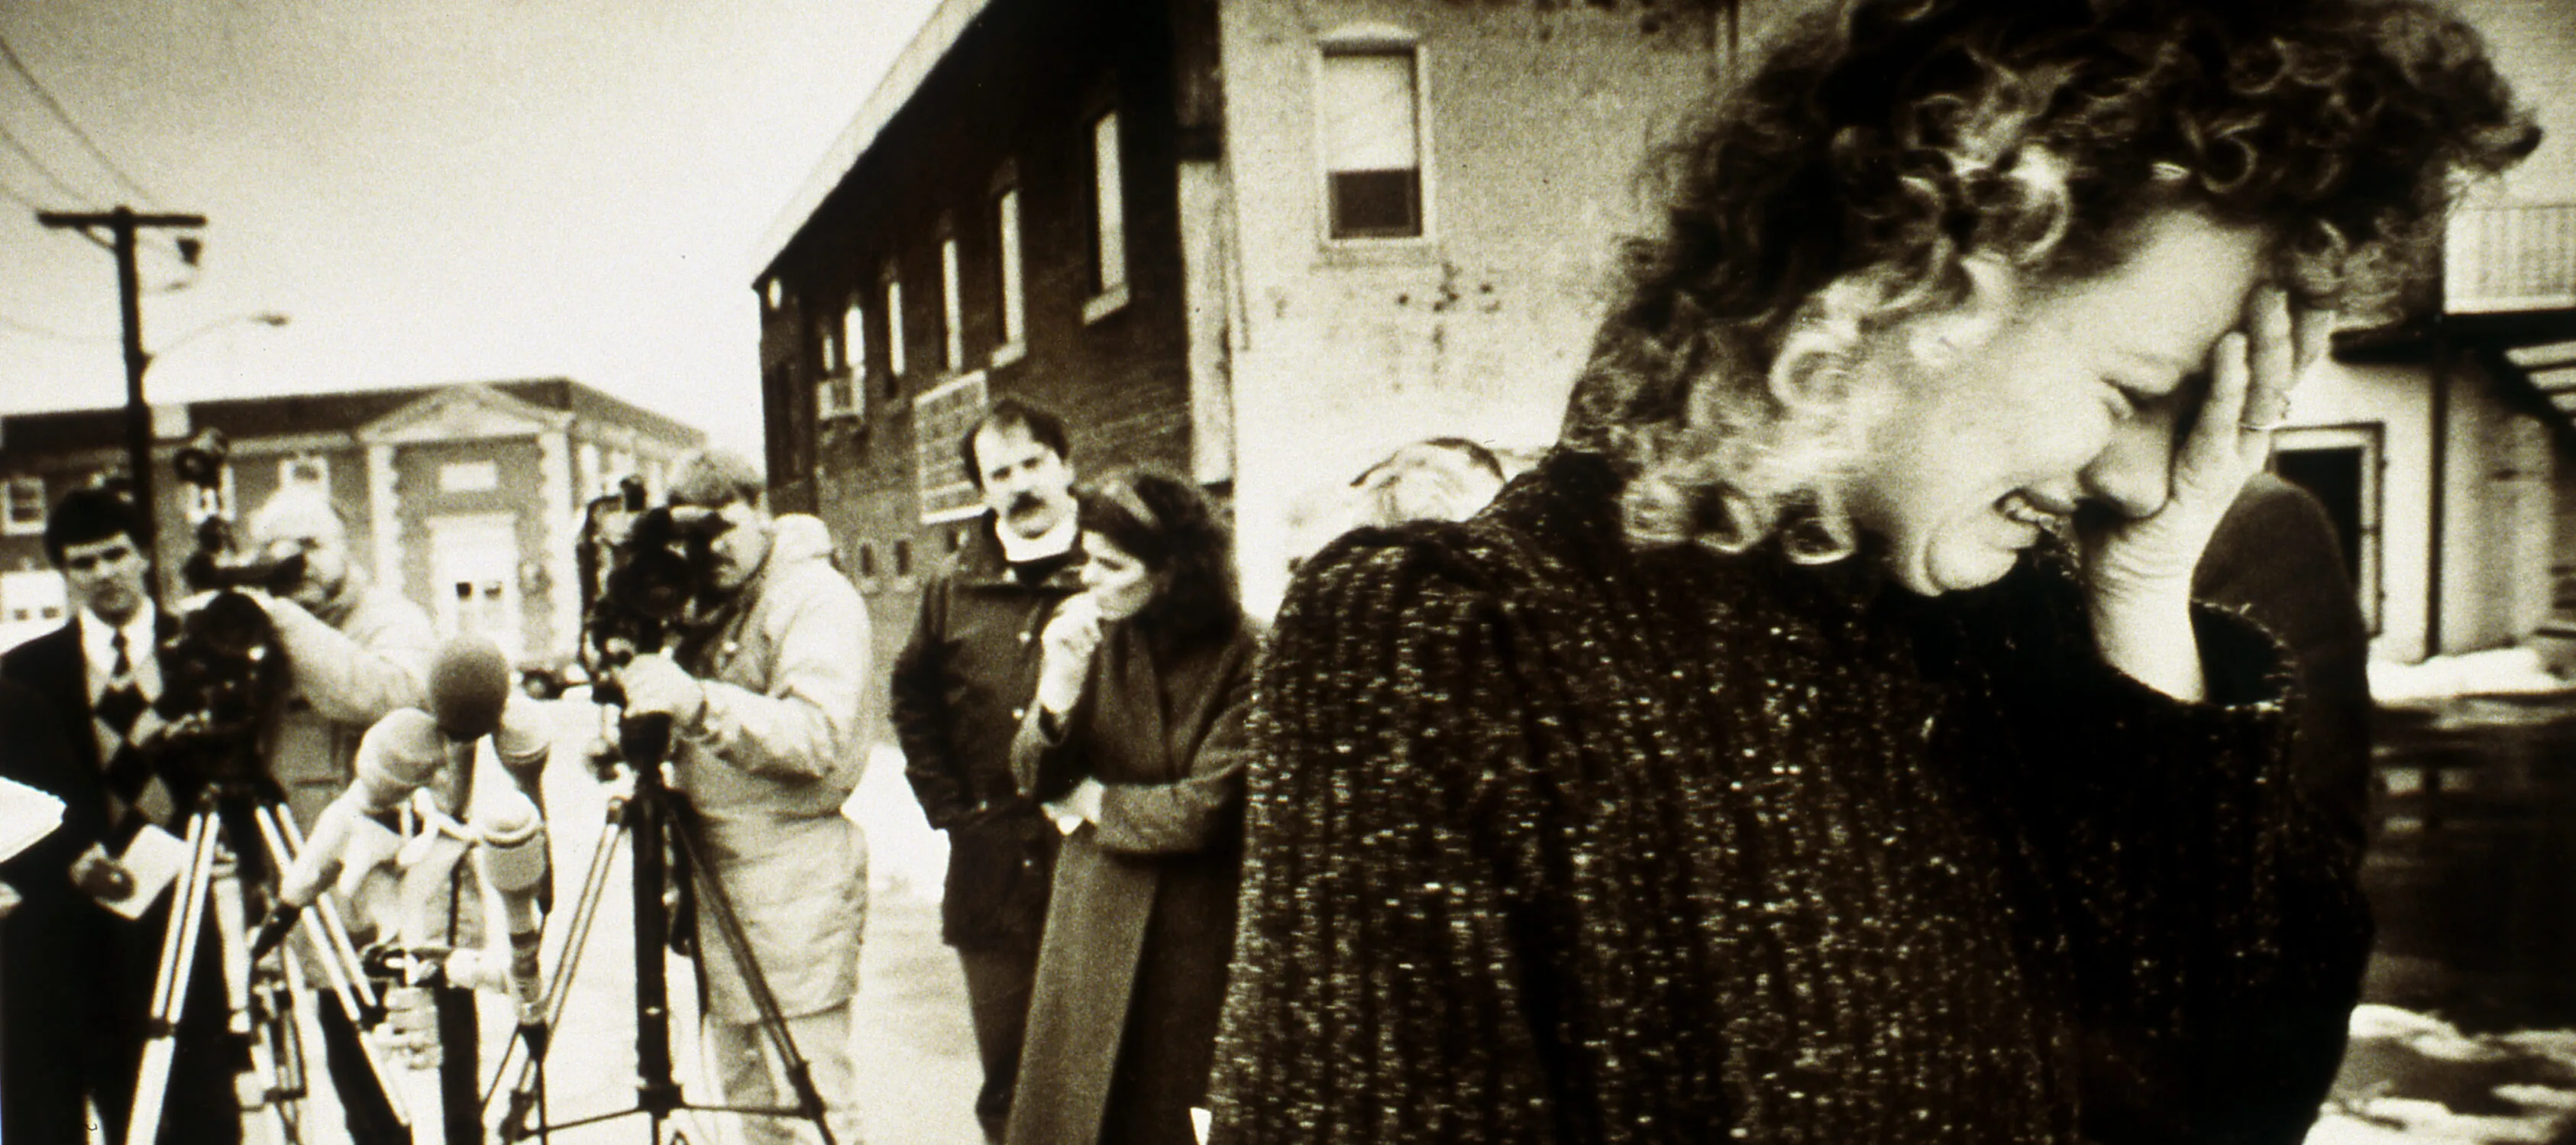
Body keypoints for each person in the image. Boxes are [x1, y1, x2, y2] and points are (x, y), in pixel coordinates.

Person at [1211, 2, 2537, 1142]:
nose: (2142, 473)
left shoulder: (2012, 638)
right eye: (2132, 388)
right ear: (1912, 275)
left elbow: (2242, 1099)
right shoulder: (1454, 647)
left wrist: (2140, 607)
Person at [614, 448, 871, 1145]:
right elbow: (701, 731)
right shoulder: (718, 602)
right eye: (689, 535)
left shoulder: (811, 596)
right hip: (716, 884)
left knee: (814, 1108)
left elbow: (816, 737)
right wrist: (639, 734)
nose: (707, 551)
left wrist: (698, 705)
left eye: (720, 528)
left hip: (794, 882)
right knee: (750, 1108)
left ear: (759, 506)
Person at [1004, 469, 1259, 1145]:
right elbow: (1032, 776)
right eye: (1087, 556)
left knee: (1172, 1115)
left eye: (1110, 564)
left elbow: (1207, 808)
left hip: (1194, 929)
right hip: (1093, 918)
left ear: (1172, 572)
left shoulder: (1247, 653)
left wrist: (1095, 800)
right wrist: (1056, 690)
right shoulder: (1094, 636)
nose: (1088, 577)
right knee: (1080, 1113)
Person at [0, 486, 242, 1145]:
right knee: (97, 1097)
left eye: (115, 554)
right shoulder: (26, 674)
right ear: (65, 573)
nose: (104, 573)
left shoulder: (203, 655)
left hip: (182, 915)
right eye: (84, 562)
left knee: (200, 1107)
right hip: (77, 932)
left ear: (143, 555)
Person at [890, 397, 1087, 1140]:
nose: (1020, 484)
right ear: (983, 488)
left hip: (1098, 857)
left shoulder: (1113, 569)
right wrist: (952, 810)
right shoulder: (951, 586)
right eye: (999, 472)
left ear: (1066, 464)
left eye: (1033, 462)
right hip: (991, 867)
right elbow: (912, 700)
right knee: (1008, 1078)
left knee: (1107, 1070)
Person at [237, 486, 436, 1144]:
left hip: (395, 903)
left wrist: (287, 622)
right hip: (315, 900)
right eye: (275, 552)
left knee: (427, 1102)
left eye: (311, 545)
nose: (296, 563)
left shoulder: (389, 617)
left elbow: (390, 695)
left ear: (346, 546)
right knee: (365, 1110)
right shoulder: (259, 630)